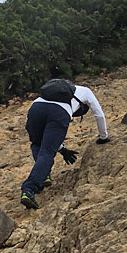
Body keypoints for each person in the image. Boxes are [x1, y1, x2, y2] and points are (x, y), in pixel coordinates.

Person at [20, 80, 109, 209]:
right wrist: (103, 137)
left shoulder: (60, 88)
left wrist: (62, 150)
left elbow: (48, 138)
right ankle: (29, 189)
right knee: (47, 153)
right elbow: (99, 115)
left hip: (36, 108)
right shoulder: (87, 92)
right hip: (58, 112)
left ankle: (44, 176)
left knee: (37, 144)